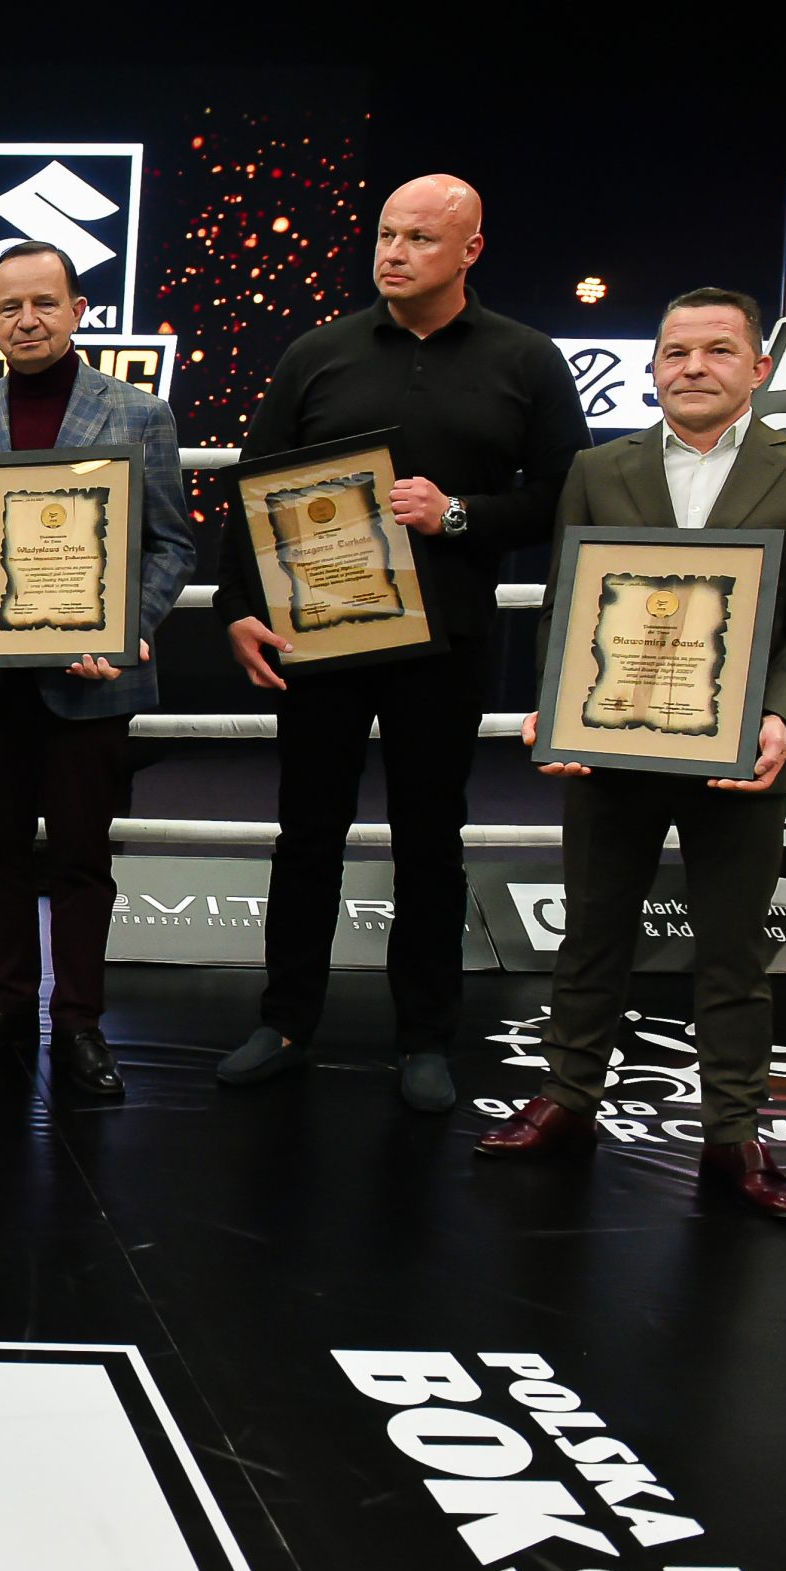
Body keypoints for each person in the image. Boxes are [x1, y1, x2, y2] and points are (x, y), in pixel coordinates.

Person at [478, 288, 786, 1221]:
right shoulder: (599, 468)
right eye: (676, 352)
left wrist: (779, 715)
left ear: (759, 368)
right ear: (652, 369)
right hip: (611, 746)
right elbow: (568, 603)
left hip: (739, 750)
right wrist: (560, 708)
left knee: (734, 951)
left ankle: (733, 1132)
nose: (694, 367)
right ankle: (567, 1099)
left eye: (718, 350)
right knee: (593, 934)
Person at [213, 174, 586, 1111]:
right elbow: (256, 483)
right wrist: (236, 606)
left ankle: (425, 1037)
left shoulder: (527, 359)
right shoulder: (318, 352)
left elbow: (563, 496)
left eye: (419, 237)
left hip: (446, 641)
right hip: (320, 633)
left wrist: (459, 514)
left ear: (469, 250)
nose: (394, 252)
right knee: (307, 832)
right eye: (386, 234)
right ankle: (284, 1021)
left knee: (431, 839)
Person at [0, 241, 195, 1097]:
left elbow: (172, 545)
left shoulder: (139, 414)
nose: (26, 320)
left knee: (81, 855)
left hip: (90, 678)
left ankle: (80, 1021)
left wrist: (127, 626)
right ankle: (4, 1002)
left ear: (78, 311)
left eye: (43, 303)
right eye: (8, 307)